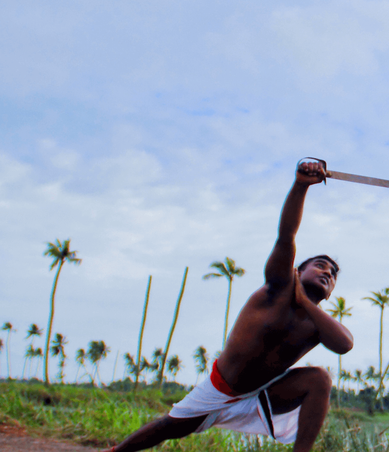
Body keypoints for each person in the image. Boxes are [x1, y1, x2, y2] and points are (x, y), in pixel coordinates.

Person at [104, 160, 353, 452]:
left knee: (319, 379)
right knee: (168, 427)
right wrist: (301, 186)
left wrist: (307, 305)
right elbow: (286, 235)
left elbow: (345, 344)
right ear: (297, 271)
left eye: (333, 274)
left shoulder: (318, 323)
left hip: (262, 394)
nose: (327, 273)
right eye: (320, 265)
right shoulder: (278, 286)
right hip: (220, 387)